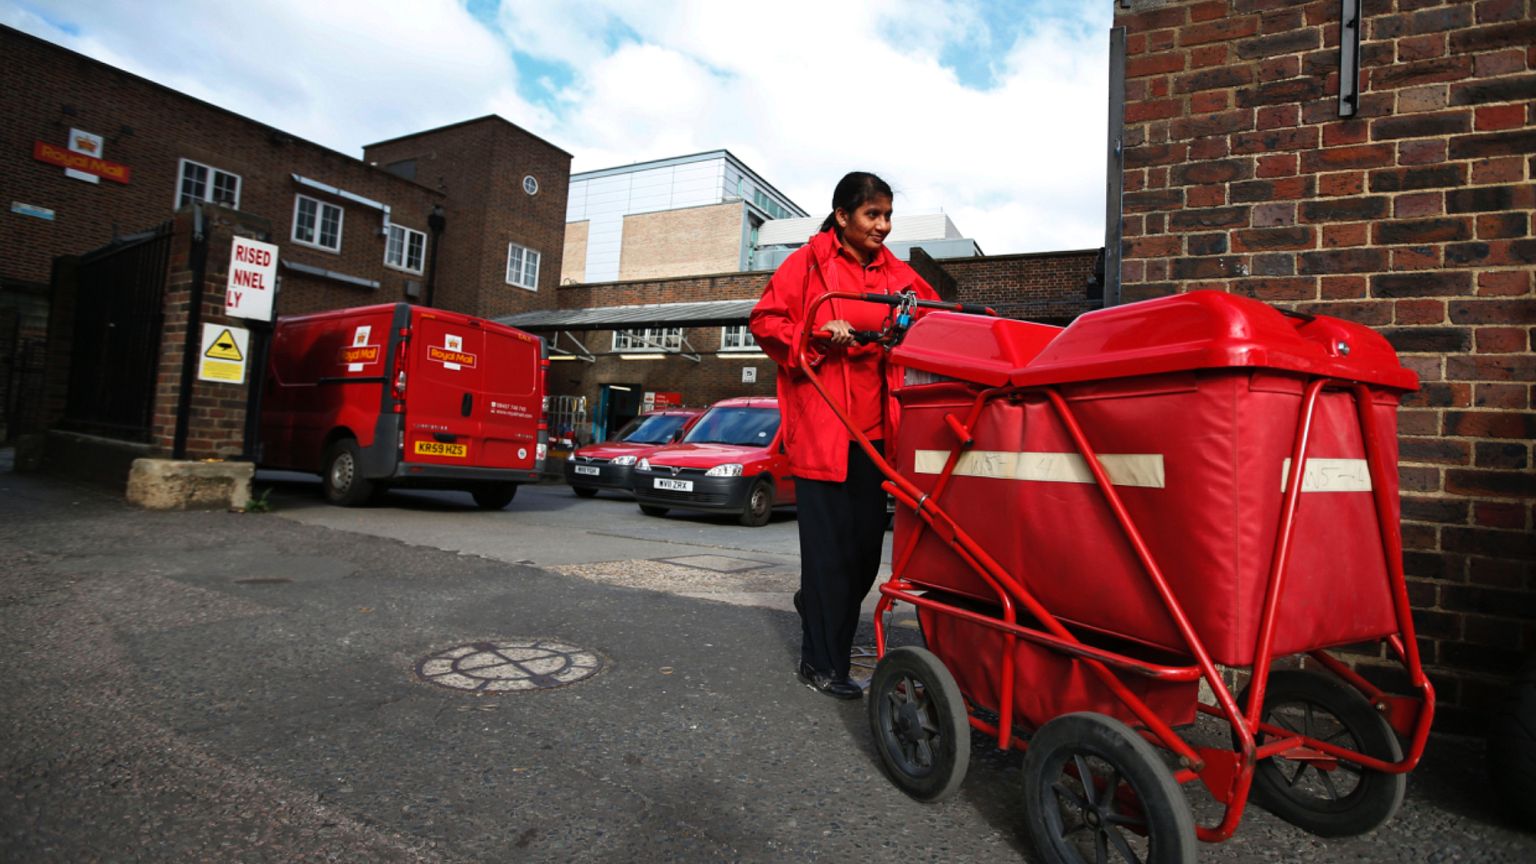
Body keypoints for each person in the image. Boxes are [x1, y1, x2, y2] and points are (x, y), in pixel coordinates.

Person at [749, 171, 938, 699]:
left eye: (887, 215)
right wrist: (811, 333)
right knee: (829, 557)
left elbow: (933, 316)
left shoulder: (896, 271)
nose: (883, 225)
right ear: (842, 216)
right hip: (826, 430)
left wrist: (911, 325)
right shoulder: (807, 263)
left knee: (861, 560)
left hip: (877, 437)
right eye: (872, 215)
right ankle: (821, 664)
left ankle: (815, 606)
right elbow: (765, 319)